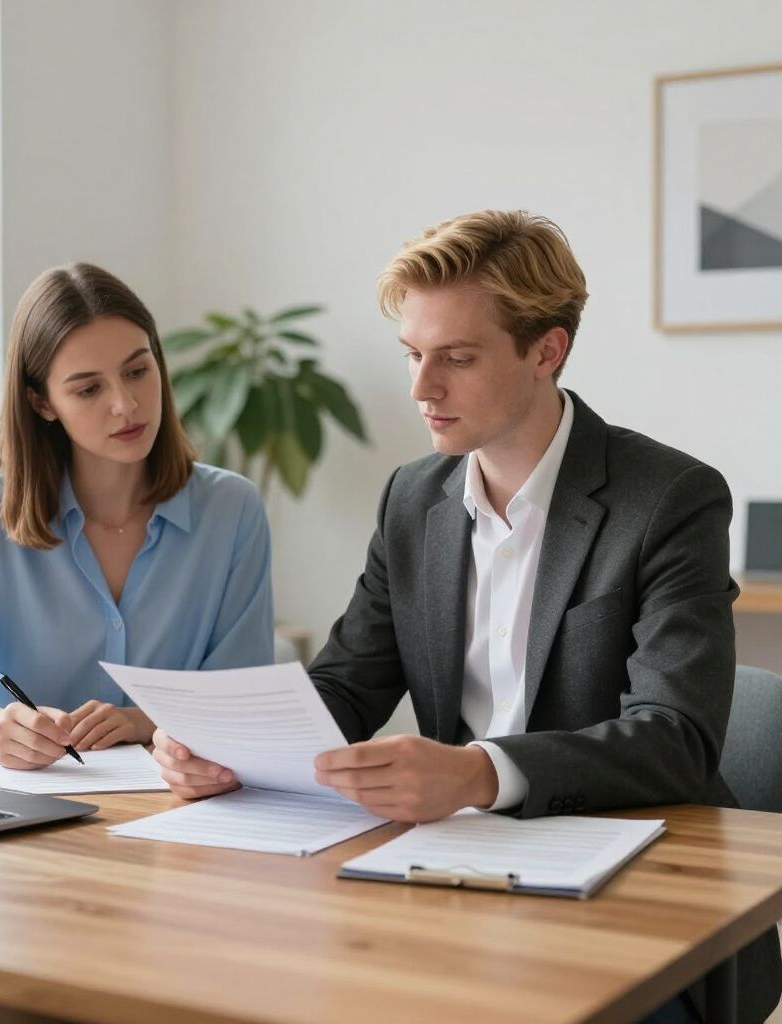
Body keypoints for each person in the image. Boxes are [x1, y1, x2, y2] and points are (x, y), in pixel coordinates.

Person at [152, 210, 782, 1024]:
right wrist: (235, 750)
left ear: (546, 349)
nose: (421, 388)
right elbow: (348, 683)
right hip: (455, 874)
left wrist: (482, 772)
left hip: (637, 889)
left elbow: (674, 736)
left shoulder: (666, 498)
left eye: (456, 358)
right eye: (414, 355)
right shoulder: (415, 498)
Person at [0, 263, 274, 1024]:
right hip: (12, 856)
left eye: (138, 371)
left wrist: (146, 720)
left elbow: (242, 701)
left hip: (177, 849)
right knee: (21, 1003)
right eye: (88, 387)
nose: (126, 405)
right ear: (42, 402)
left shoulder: (232, 511)